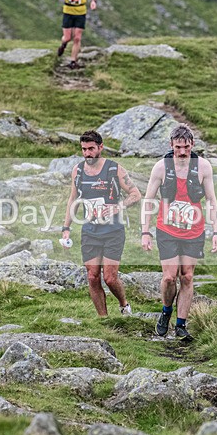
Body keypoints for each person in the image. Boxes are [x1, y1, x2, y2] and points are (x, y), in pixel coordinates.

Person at [141, 124, 217, 340]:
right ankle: (166, 312)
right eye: (178, 147)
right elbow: (148, 200)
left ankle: (181, 325)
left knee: (187, 276)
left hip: (193, 231)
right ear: (171, 145)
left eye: (186, 146)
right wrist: (145, 232)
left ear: (192, 145)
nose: (183, 151)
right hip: (167, 230)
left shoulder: (203, 167)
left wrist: (216, 231)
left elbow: (212, 201)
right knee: (169, 277)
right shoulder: (161, 168)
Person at [62, 130, 141, 316]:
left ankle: (124, 305)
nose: (87, 153)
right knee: (92, 277)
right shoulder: (78, 171)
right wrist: (66, 228)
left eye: (91, 149)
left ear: (100, 147)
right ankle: (103, 319)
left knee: (110, 278)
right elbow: (72, 200)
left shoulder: (114, 169)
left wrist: (118, 207)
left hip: (113, 231)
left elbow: (136, 194)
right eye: (83, 149)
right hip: (89, 231)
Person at [53, 0, 98, 69]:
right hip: (68, 11)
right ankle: (63, 45)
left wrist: (93, 0)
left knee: (77, 38)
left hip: (80, 11)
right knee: (67, 38)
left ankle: (73, 61)